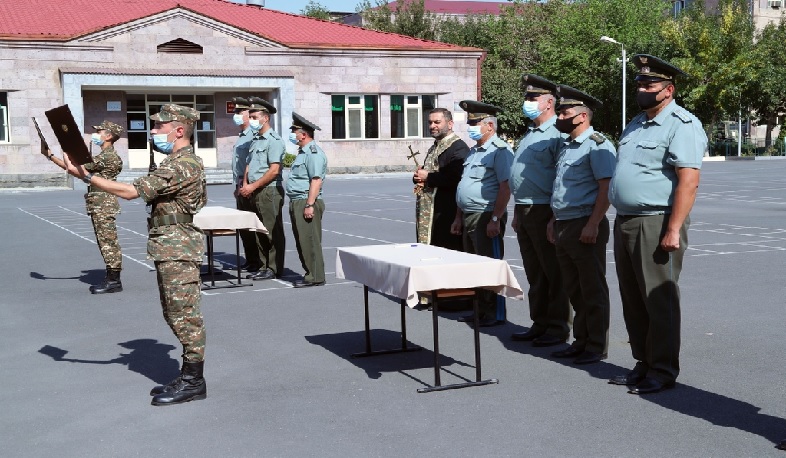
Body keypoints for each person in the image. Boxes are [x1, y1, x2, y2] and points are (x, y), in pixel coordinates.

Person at [62, 104, 208, 406]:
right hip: (170, 244)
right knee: (174, 312)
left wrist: (85, 176)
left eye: (158, 127)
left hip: (178, 247)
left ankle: (194, 381)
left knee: (185, 316)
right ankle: (189, 373)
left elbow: (130, 192)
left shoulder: (182, 164)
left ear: (178, 130)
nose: (153, 132)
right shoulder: (176, 161)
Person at [608, 55, 706, 394]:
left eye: (649, 85)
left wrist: (673, 228)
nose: (642, 89)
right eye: (639, 84)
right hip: (626, 221)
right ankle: (644, 361)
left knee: (657, 298)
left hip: (657, 221)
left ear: (668, 90)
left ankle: (662, 369)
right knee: (633, 297)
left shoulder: (683, 124)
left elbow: (688, 181)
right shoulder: (636, 123)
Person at [546, 85, 617, 365]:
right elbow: (561, 188)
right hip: (564, 223)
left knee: (592, 289)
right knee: (574, 288)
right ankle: (581, 340)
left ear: (582, 116)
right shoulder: (567, 146)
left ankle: (596, 345)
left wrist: (594, 223)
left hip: (584, 224)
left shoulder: (597, 145)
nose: (560, 116)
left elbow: (606, 187)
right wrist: (553, 220)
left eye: (565, 112)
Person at [509, 75, 572, 346]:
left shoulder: (557, 133)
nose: (527, 102)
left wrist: (554, 216)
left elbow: (562, 176)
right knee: (534, 271)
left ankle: (557, 327)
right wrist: (515, 211)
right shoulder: (531, 133)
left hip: (544, 209)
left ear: (549, 103)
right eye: (527, 97)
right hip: (524, 209)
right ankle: (540, 322)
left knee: (553, 271)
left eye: (532, 98)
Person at [451, 100, 513, 327]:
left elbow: (505, 187)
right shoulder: (475, 151)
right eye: (470, 122)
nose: (471, 126)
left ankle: (495, 313)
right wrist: (458, 216)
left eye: (475, 122)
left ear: (490, 126)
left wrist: (496, 218)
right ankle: (480, 309)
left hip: (486, 215)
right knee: (474, 267)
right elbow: (464, 184)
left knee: (490, 265)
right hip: (469, 214)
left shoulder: (500, 151)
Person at [48, 120, 125, 294]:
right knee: (105, 241)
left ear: (109, 136)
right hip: (100, 203)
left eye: (100, 131)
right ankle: (112, 276)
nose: (95, 135)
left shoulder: (108, 157)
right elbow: (77, 170)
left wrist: (64, 151)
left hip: (103, 203)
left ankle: (114, 281)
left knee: (107, 242)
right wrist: (52, 156)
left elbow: (75, 169)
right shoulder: (103, 157)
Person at [239, 96, 286, 280]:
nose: (251, 120)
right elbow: (249, 165)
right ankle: (263, 264)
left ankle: (274, 267)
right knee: (258, 230)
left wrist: (253, 186)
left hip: (268, 191)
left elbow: (274, 171)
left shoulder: (274, 140)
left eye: (255, 116)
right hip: (254, 189)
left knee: (271, 231)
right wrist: (245, 184)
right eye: (250, 117)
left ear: (265, 118)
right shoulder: (256, 140)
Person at [413, 108, 470, 251]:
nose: (432, 126)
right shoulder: (435, 146)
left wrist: (428, 177)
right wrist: (418, 177)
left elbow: (456, 178)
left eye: (437, 122)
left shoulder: (458, 147)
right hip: (431, 211)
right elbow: (431, 173)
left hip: (446, 212)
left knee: (446, 253)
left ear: (450, 124)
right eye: (430, 122)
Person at [285, 112, 327, 288]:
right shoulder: (303, 152)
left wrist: (310, 204)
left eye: (294, 131)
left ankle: (316, 276)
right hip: (298, 200)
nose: (293, 134)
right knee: (302, 240)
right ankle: (310, 272)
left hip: (306, 201)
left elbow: (316, 180)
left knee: (309, 239)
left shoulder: (314, 153)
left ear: (303, 134)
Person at [228, 97, 261, 273]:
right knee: (244, 227)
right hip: (241, 185)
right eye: (235, 112)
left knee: (253, 225)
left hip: (250, 185)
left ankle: (259, 261)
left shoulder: (253, 135)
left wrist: (247, 184)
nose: (237, 115)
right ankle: (251, 259)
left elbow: (251, 162)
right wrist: (237, 186)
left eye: (240, 112)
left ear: (249, 114)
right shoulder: (242, 135)